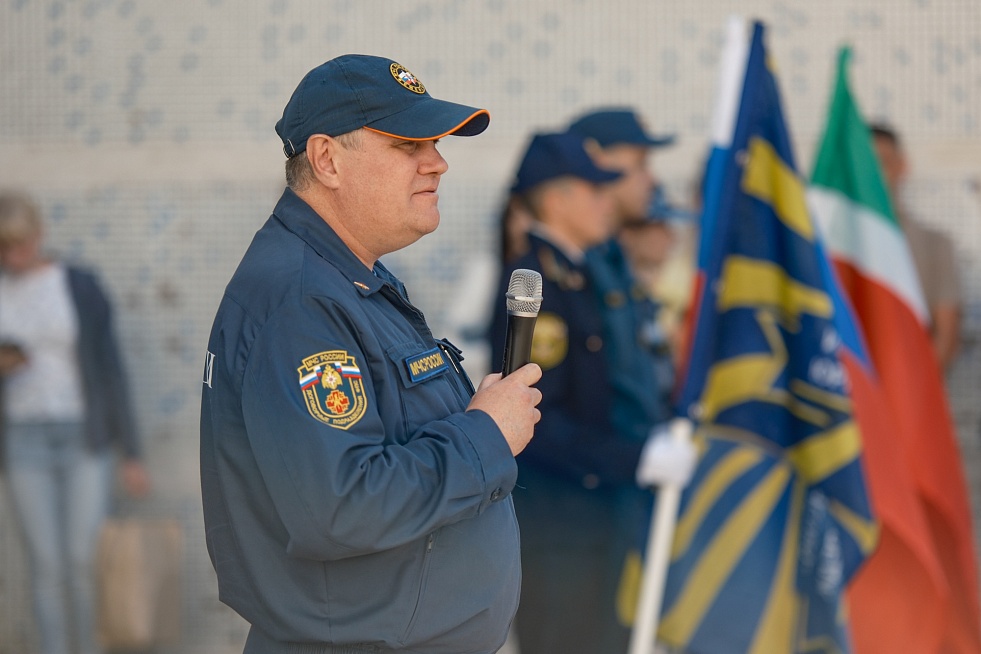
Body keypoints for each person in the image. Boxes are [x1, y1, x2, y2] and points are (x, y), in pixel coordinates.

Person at [199, 54, 543, 654]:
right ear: (328, 159)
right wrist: (487, 434)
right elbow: (345, 505)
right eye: (408, 144)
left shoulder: (347, 279)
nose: (437, 162)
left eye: (434, 144)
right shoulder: (301, 301)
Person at [488, 132, 696, 654]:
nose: (609, 202)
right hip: (562, 532)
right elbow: (537, 421)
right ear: (558, 200)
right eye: (596, 191)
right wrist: (636, 457)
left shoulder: (578, 274)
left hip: (597, 519)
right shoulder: (536, 283)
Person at [0, 190, 150, 654]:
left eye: (20, 243)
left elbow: (109, 367)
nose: (13, 255)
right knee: (46, 565)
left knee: (84, 560)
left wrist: (132, 453)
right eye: (3, 247)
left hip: (84, 437)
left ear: (39, 235)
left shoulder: (79, 286)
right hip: (23, 438)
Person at [870, 123, 962, 370]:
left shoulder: (935, 245)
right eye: (865, 165)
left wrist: (910, 395)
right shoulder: (829, 249)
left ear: (901, 166)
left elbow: (947, 334)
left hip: (910, 396)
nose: (874, 175)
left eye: (883, 162)